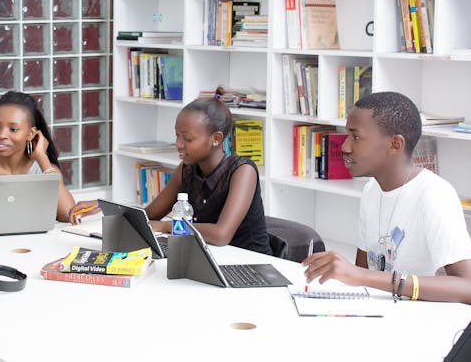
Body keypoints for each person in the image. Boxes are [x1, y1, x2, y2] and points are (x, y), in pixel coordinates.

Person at [303, 91, 471, 303]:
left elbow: (467, 287)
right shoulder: (371, 190)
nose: (345, 147)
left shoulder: (435, 194)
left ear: (395, 144)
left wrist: (362, 275)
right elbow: (361, 278)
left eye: (356, 137)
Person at [70, 87, 272, 253]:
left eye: (188, 138)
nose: (178, 144)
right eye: (177, 136)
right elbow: (149, 214)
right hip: (210, 258)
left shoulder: (242, 171)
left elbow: (221, 235)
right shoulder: (187, 168)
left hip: (250, 264)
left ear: (216, 139)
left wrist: (168, 226)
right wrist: (105, 206)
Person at [0, 91, 76, 222]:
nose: (1, 135)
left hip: (32, 243)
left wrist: (42, 158)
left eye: (13, 129)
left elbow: (69, 215)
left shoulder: (46, 170)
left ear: (31, 134)